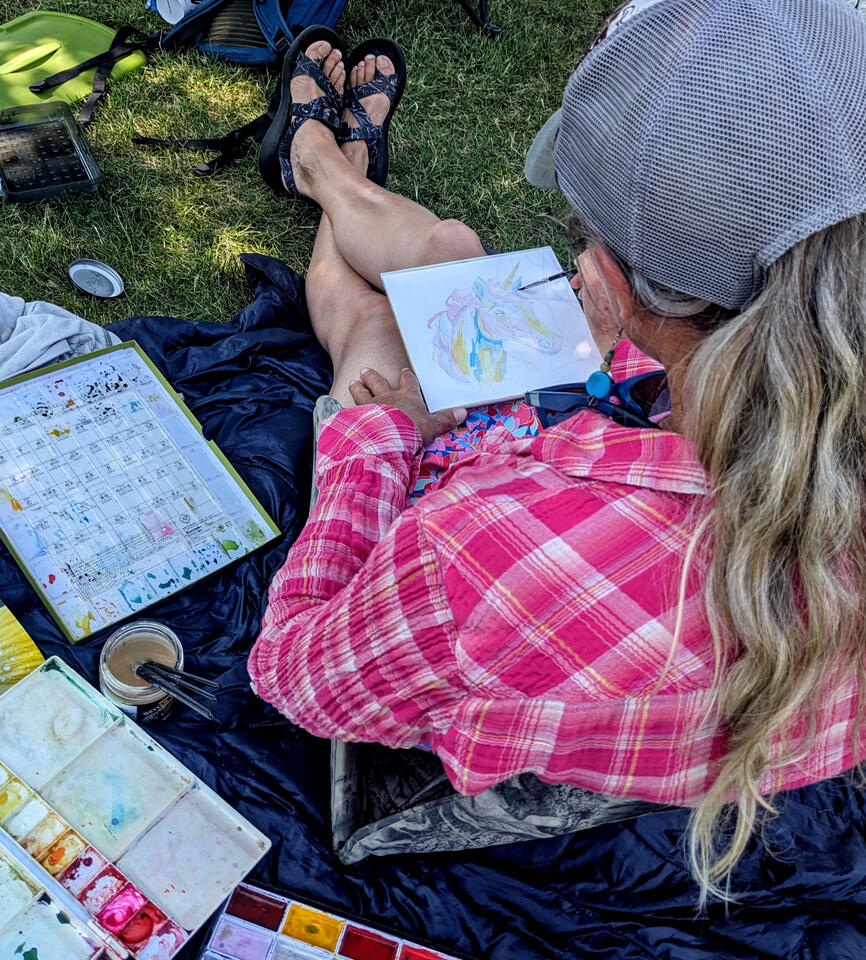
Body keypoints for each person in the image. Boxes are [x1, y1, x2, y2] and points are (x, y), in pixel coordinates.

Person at [248, 0, 866, 901]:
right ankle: (332, 170)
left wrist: (378, 439)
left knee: (379, 335)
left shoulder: (483, 553)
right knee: (450, 260)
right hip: (635, 434)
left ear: (608, 283)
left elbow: (293, 673)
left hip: (530, 558)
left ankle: (322, 161)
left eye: (584, 249)